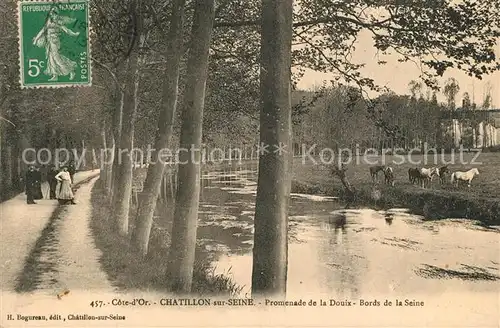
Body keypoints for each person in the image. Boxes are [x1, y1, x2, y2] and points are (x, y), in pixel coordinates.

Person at [32, 7, 80, 81]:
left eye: (55, 14)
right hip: (49, 42)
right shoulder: (48, 22)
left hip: (55, 42)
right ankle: (55, 75)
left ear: (57, 15)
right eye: (52, 14)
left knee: (57, 59)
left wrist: (74, 34)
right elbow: (42, 31)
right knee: (51, 59)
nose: (53, 16)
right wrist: (36, 39)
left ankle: (71, 70)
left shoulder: (59, 23)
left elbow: (67, 30)